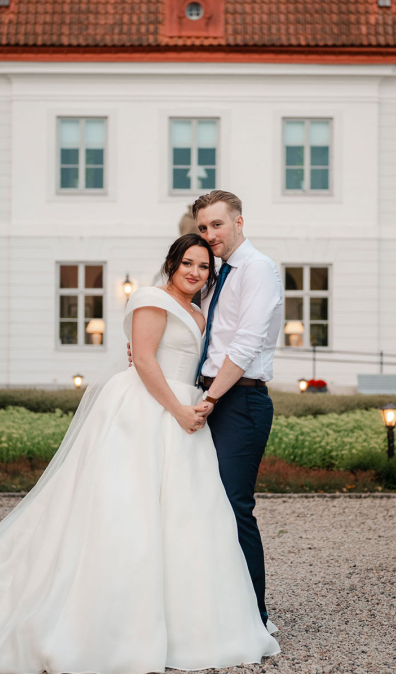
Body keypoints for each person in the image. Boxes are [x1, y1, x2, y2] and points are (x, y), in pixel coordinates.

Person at [0, 233, 280, 674]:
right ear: (172, 263)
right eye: (188, 263)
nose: (195, 272)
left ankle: (186, 621)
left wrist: (193, 407)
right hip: (148, 409)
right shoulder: (151, 298)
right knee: (124, 509)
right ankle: (107, 622)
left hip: (185, 416)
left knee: (187, 515)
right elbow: (145, 362)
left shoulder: (198, 312)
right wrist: (177, 410)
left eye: (203, 268)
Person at [129, 191, 284, 630]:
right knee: (198, 504)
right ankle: (208, 607)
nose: (210, 234)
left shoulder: (258, 270)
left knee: (234, 506)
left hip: (239, 399)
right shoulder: (214, 276)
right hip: (204, 395)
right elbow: (194, 336)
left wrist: (211, 398)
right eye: (203, 227)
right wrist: (145, 349)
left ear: (239, 222)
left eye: (218, 224)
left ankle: (255, 616)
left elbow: (246, 343)